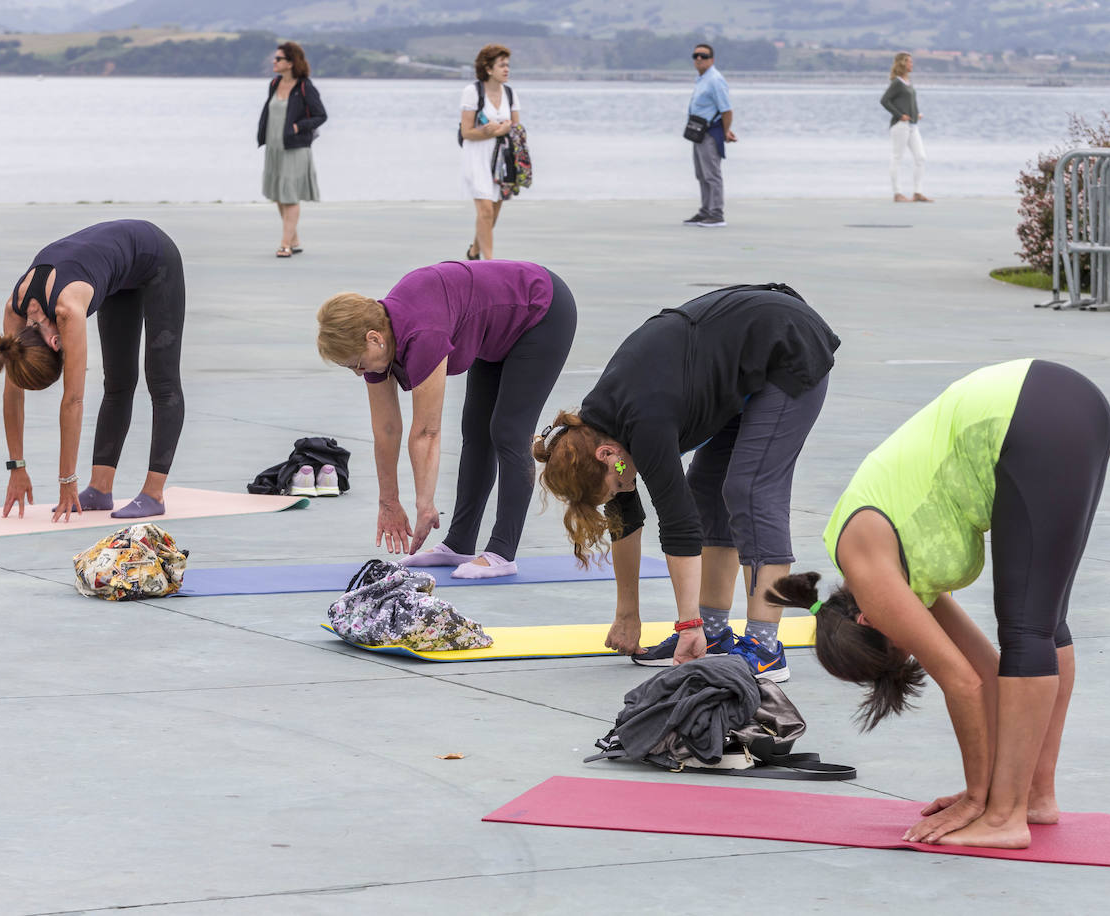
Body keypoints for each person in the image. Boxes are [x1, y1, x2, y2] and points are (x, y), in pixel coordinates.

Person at [771, 359, 1110, 849]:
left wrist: (978, 798)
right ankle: (1031, 796)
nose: (916, 648)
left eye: (900, 649)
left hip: (1025, 416)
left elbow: (963, 685)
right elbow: (990, 673)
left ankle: (1005, 819)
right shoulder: (892, 571)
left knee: (1028, 631)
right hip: (1063, 403)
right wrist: (996, 784)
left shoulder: (870, 574)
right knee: (1042, 625)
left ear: (869, 619)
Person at [534, 284, 839, 681]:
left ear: (607, 457)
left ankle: (765, 648)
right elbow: (624, 513)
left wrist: (685, 625)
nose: (625, 488)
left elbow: (678, 526)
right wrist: (629, 613)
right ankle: (714, 635)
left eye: (615, 486)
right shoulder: (598, 430)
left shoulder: (643, 423)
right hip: (745, 358)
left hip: (790, 346)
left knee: (750, 490)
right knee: (706, 491)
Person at [316, 260, 576, 578]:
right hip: (497, 326)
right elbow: (386, 429)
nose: (359, 372)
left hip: (542, 312)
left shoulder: (422, 332)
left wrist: (425, 506)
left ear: (374, 338)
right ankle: (460, 544)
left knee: (508, 431)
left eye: (356, 363)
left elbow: (427, 431)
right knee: (476, 431)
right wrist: (389, 502)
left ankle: (503, 552)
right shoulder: (379, 342)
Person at [0, 219, 188, 522]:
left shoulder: (67, 310)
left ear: (55, 343)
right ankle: (101, 488)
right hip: (119, 269)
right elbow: (12, 392)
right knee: (117, 383)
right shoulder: (16, 309)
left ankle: (153, 493)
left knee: (162, 380)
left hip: (155, 257)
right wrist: (17, 467)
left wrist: (67, 481)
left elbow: (73, 400)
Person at [258, 41, 326, 258]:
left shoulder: (305, 87)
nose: (274, 62)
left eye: (278, 59)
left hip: (295, 149)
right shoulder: (274, 84)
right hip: (275, 147)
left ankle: (285, 243)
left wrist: (298, 126)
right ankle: (294, 239)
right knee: (279, 194)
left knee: (290, 196)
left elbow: (320, 115)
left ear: (290, 62)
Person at [460, 44, 520, 261]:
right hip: (476, 156)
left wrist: (504, 129)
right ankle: (490, 262)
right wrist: (485, 132)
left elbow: (515, 127)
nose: (507, 69)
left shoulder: (510, 93)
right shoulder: (472, 92)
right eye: (502, 65)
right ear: (488, 68)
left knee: (493, 213)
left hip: (501, 160)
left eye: (508, 65)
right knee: (485, 211)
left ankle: (474, 251)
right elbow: (466, 132)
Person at [683, 43, 735, 228]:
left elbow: (727, 110)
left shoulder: (715, 79)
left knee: (712, 174)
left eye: (703, 56)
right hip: (698, 132)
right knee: (701, 174)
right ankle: (705, 211)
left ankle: (716, 214)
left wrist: (725, 131)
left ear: (711, 60)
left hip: (710, 132)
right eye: (696, 55)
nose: (699, 59)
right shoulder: (702, 78)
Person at [880, 52, 932, 203]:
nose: (912, 64)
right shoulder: (897, 83)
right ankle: (897, 193)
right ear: (902, 63)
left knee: (921, 157)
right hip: (900, 126)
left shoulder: (908, 81)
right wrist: (899, 114)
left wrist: (916, 114)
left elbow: (909, 102)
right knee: (897, 158)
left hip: (912, 125)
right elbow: (884, 100)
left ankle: (917, 193)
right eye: (909, 62)